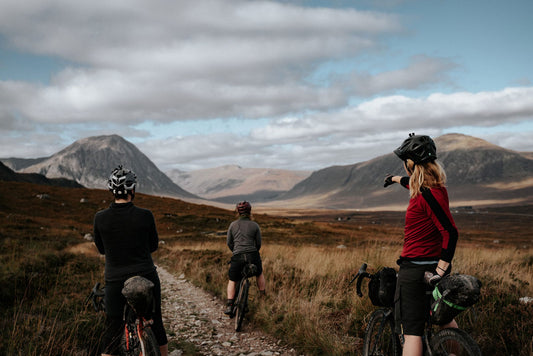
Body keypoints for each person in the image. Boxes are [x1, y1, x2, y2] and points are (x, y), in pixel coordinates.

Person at [384, 134, 459, 356]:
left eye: (405, 164)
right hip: (433, 266)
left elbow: (450, 232)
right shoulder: (435, 190)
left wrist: (440, 271)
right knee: (445, 318)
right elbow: (415, 185)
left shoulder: (425, 195)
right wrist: (395, 179)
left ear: (411, 164)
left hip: (417, 270)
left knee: (413, 331)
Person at [93, 165, 168, 356]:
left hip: (115, 280)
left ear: (111, 190)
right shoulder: (145, 215)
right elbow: (153, 246)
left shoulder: (100, 218)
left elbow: (102, 250)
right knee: (155, 322)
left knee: (112, 328)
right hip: (145, 275)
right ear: (132, 190)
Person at [224, 201, 267, 316]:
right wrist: (254, 252)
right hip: (252, 255)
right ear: (250, 211)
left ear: (238, 212)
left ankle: (229, 304)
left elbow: (229, 242)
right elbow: (258, 243)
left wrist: (236, 251)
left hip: (237, 255)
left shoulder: (232, 225)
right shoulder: (255, 225)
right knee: (259, 273)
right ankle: (262, 296)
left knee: (232, 280)